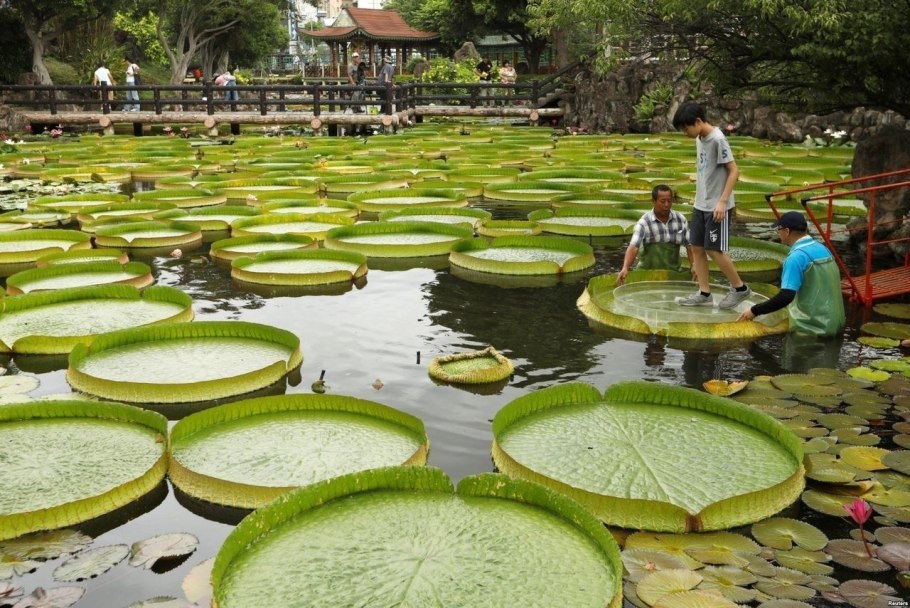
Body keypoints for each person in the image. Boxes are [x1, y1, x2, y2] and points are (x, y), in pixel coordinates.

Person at [672, 100, 751, 309]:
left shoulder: (718, 139)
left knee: (714, 250)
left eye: (685, 128)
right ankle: (704, 293)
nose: (684, 133)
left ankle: (740, 288)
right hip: (701, 204)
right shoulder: (700, 138)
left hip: (718, 206)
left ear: (697, 121)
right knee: (697, 247)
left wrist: (722, 202)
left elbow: (734, 171)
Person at [737, 211, 845, 336]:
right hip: (835, 323)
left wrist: (754, 311)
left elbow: (786, 296)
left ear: (787, 231)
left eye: (779, 229)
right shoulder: (823, 248)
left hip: (810, 329)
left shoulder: (796, 258)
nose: (778, 233)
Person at [617, 184, 694, 284]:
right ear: (653, 202)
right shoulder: (644, 222)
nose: (666, 204)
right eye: (662, 201)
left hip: (673, 275)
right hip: (646, 275)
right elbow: (633, 247)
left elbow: (690, 246)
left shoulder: (680, 220)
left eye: (669, 201)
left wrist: (694, 265)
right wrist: (625, 268)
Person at [347, 52, 365, 116]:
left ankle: (358, 107)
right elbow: (349, 75)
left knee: (361, 95)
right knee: (355, 95)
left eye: (357, 56)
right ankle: (354, 108)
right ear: (353, 58)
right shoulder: (350, 65)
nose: (357, 58)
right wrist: (352, 83)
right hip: (354, 82)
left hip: (360, 82)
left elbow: (362, 73)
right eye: (355, 57)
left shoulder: (359, 65)